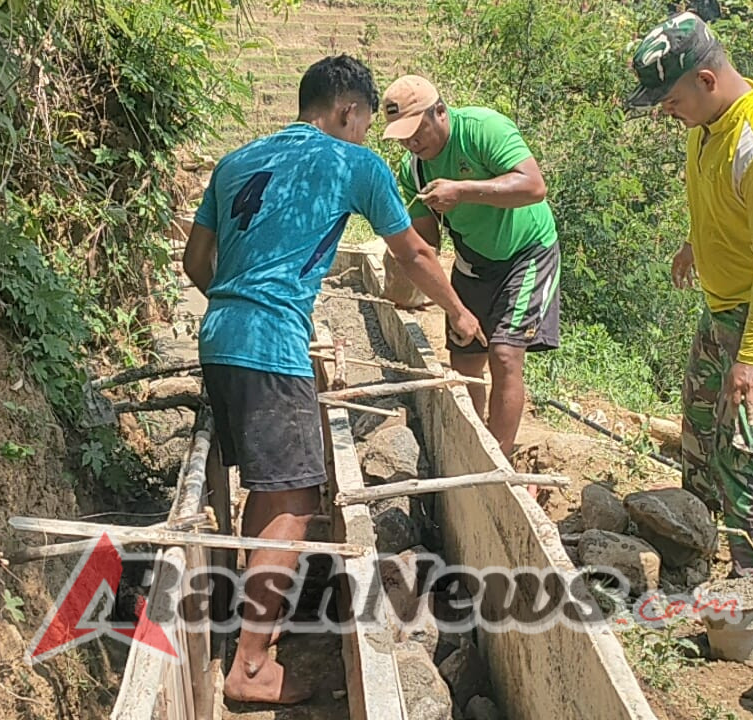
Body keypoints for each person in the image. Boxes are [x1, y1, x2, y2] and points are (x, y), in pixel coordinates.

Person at [182, 55, 483, 705]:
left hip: (221, 339)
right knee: (296, 504)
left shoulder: (236, 161)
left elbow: (195, 261)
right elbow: (416, 253)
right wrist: (459, 314)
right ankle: (251, 666)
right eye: (368, 123)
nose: (367, 136)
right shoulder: (356, 164)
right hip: (270, 350)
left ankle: (251, 618)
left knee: (272, 487)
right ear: (349, 111)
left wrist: (237, 303)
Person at [624, 12, 753, 582]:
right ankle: (694, 541)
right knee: (699, 425)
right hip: (727, 300)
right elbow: (722, 202)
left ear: (706, 81)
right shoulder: (707, 124)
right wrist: (697, 244)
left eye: (669, 100)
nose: (667, 111)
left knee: (748, 442)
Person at [380, 74, 560, 495]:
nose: (411, 143)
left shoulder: (483, 131)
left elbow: (534, 186)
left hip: (527, 252)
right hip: (474, 261)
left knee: (505, 354)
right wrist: (404, 253)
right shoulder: (415, 168)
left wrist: (464, 190)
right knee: (465, 365)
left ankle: (498, 466)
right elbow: (427, 244)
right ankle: (474, 443)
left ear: (439, 112)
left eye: (416, 131)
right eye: (402, 136)